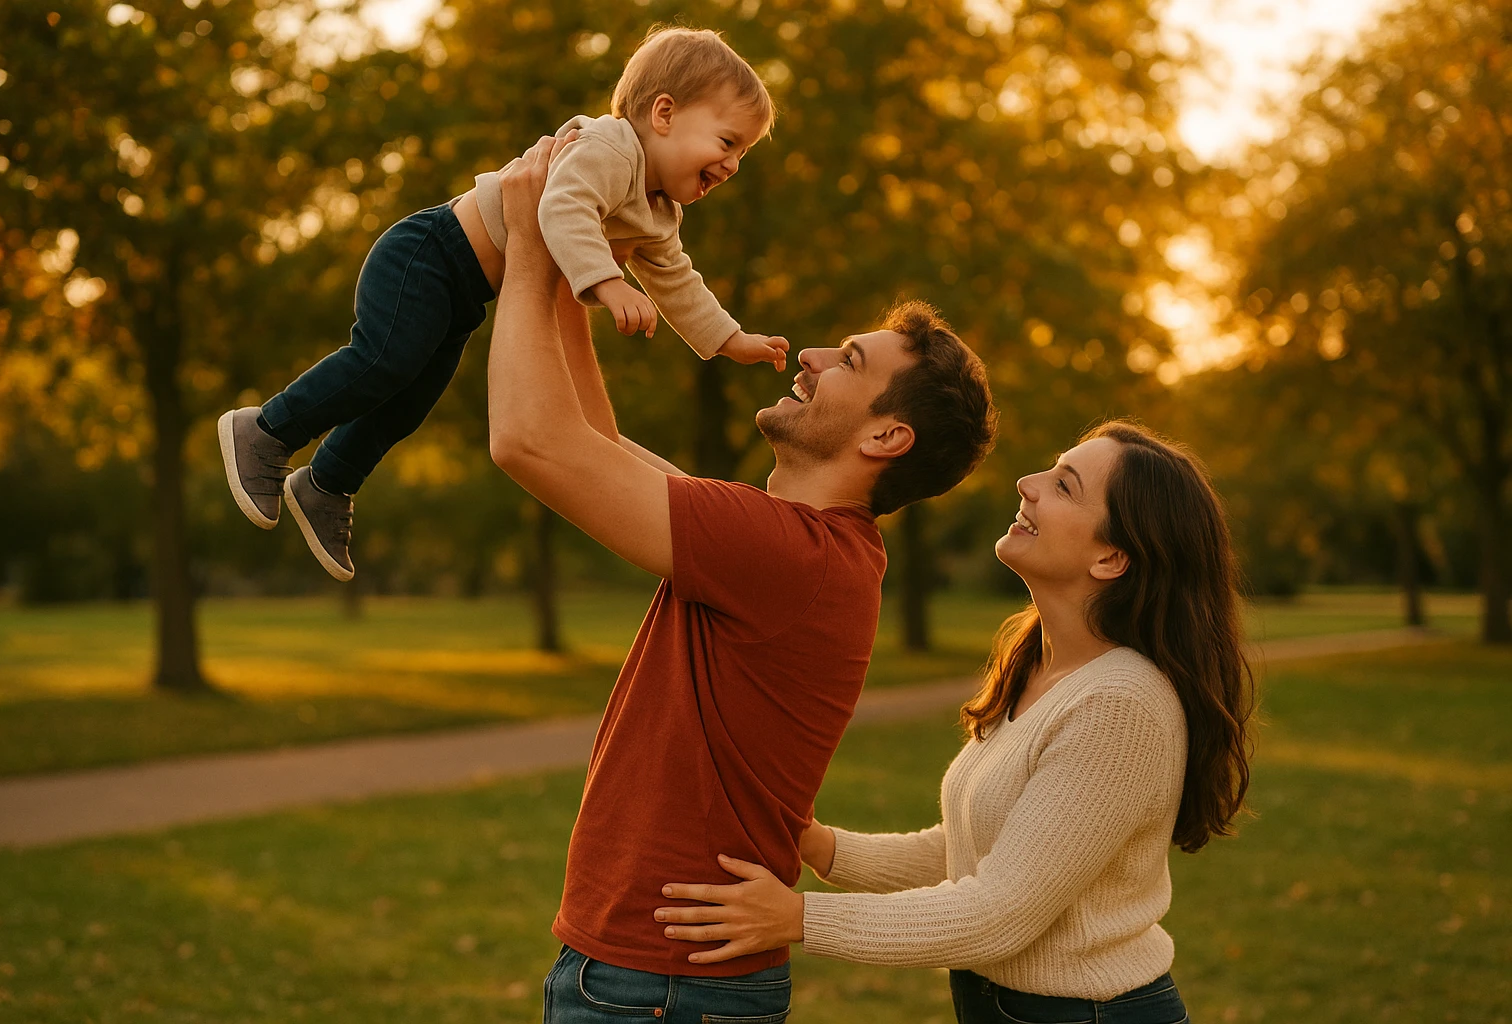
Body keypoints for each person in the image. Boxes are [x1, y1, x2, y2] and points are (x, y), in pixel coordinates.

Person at [488, 136, 995, 1023]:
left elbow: (530, 442)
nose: (811, 359)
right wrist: (578, 256)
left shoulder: (791, 555)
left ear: (885, 438)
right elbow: (595, 447)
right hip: (655, 978)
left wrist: (530, 246)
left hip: (659, 987)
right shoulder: (796, 548)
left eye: (849, 362)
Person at [656, 422, 1257, 1024]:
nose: (1027, 483)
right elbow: (979, 850)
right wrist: (822, 846)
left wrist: (797, 918)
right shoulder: (1038, 668)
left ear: (1111, 557)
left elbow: (997, 913)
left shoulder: (1122, 705)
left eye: (1064, 486)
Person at [215, 26, 787, 581]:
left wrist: (730, 339)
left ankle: (328, 483)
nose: (733, 164)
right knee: (384, 359)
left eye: (744, 153)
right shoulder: (608, 148)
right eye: (727, 142)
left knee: (412, 395)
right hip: (429, 255)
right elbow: (562, 211)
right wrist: (608, 283)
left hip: (463, 293)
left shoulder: (659, 211)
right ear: (663, 115)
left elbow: (677, 280)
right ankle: (265, 430)